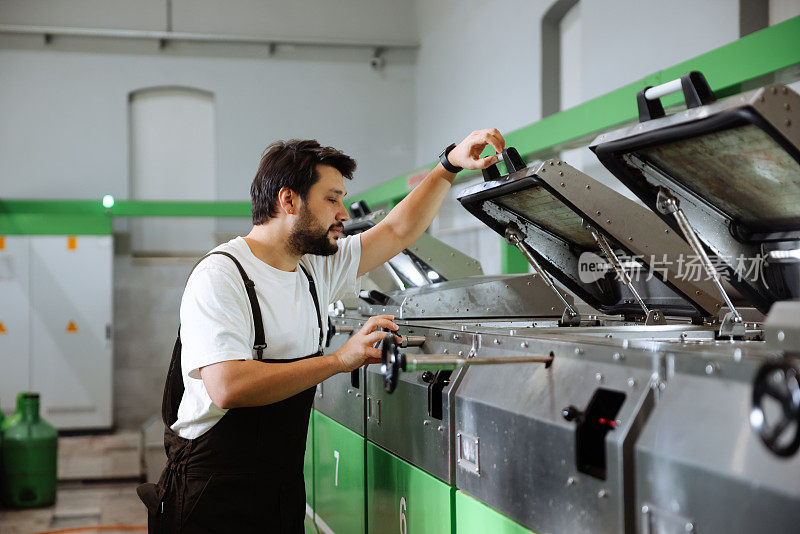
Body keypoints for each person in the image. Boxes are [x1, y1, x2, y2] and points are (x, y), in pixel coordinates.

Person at [137, 129, 505, 533]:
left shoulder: (313, 268)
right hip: (210, 493)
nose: (343, 214)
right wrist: (339, 360)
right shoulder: (222, 274)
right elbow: (228, 385)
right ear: (288, 199)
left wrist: (449, 164)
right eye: (332, 199)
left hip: (280, 487)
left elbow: (398, 231)